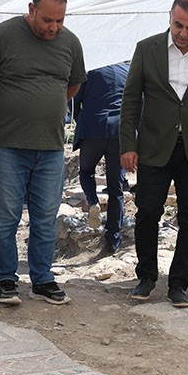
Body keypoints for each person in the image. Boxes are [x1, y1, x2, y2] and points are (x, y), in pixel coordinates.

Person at [0, 0, 86, 306]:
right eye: (47, 20)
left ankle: (43, 278)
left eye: (59, 21)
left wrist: (48, 105)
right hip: (9, 145)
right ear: (31, 9)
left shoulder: (70, 42)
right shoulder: (3, 34)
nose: (53, 27)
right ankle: (6, 279)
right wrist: (2, 103)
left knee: (45, 217)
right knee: (5, 216)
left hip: (51, 148)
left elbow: (75, 81)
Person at [119, 0, 188, 308]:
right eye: (178, 24)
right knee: (148, 212)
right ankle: (147, 276)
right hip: (153, 147)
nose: (183, 32)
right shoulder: (147, 48)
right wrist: (128, 144)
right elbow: (130, 100)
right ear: (170, 18)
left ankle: (179, 283)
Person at [72, 62, 130, 254]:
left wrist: (83, 121)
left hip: (92, 128)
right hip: (119, 132)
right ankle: (113, 239)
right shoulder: (128, 71)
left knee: (86, 172)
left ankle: (93, 201)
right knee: (117, 189)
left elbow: (73, 99)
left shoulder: (90, 70)